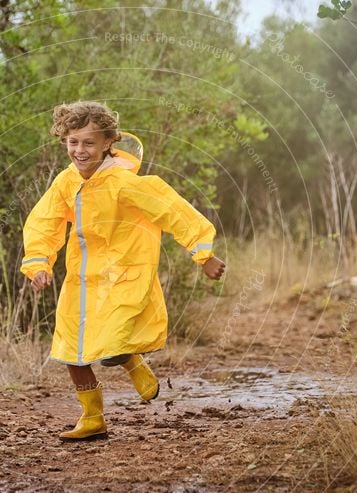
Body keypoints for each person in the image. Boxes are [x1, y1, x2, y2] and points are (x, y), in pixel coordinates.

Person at [20, 101, 225, 441]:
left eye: (88, 142)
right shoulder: (65, 182)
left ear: (107, 142)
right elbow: (44, 222)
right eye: (73, 142)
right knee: (72, 350)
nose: (79, 150)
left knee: (113, 342)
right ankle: (92, 417)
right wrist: (39, 262)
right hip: (81, 278)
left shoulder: (123, 182)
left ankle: (131, 361)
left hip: (121, 274)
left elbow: (172, 210)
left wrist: (203, 254)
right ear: (64, 141)